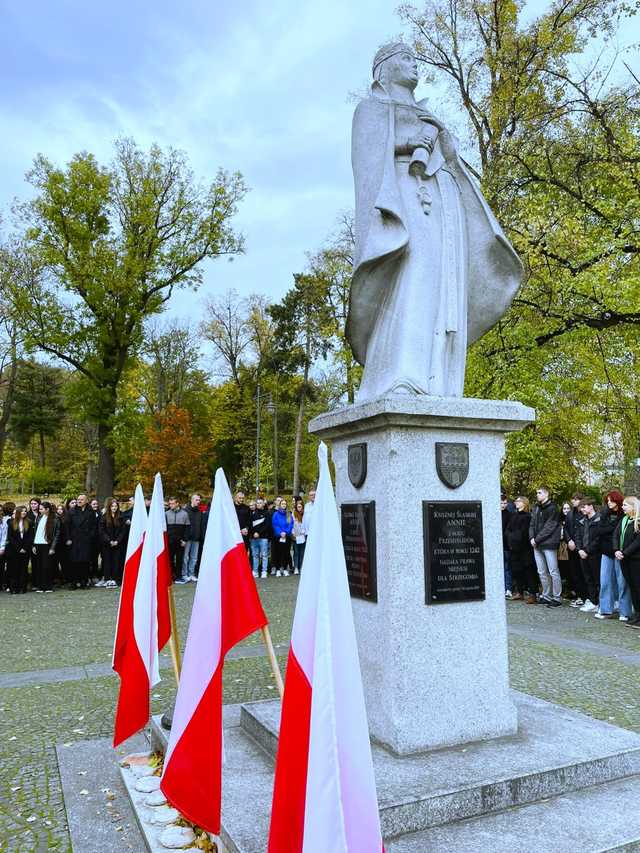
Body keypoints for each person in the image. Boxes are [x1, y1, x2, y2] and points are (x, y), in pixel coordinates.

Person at [595, 490, 630, 621]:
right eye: (608, 501)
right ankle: (605, 609)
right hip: (606, 552)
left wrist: (607, 529)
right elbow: (599, 530)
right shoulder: (605, 513)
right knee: (605, 581)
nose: (609, 503)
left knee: (622, 582)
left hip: (620, 552)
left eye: (612, 500)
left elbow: (618, 531)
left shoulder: (624, 514)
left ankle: (625, 611)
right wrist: (610, 528)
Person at [529, 486, 562, 606]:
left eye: (539, 492)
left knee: (553, 571)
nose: (537, 494)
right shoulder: (536, 507)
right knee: (542, 571)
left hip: (548, 543)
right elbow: (532, 524)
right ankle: (546, 595)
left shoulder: (553, 508)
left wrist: (536, 539)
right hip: (537, 544)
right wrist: (532, 538)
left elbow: (550, 527)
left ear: (546, 494)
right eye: (536, 492)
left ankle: (557, 597)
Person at [614, 496, 640, 628]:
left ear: (633, 506)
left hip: (635, 560)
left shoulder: (638, 521)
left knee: (638, 587)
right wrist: (617, 550)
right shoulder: (624, 520)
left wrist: (625, 552)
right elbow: (616, 535)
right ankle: (637, 615)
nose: (622, 507)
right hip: (624, 559)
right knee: (632, 587)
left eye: (625, 505)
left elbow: (638, 541)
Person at [505, 496, 537, 602]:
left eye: (518, 501)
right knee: (516, 571)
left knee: (528, 571)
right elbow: (507, 531)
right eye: (516, 501)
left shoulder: (528, 516)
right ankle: (519, 592)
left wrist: (513, 537)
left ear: (524, 503)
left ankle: (533, 594)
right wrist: (511, 540)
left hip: (525, 548)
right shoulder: (513, 515)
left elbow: (523, 533)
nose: (516, 502)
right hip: (514, 548)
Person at [67, 494, 97, 589]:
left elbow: (94, 526)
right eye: (78, 499)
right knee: (74, 562)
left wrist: (90, 536)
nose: (79, 501)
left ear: (86, 501)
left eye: (81, 499)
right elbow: (67, 526)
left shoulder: (91, 511)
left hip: (86, 540)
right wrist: (68, 538)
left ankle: (84, 582)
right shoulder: (72, 511)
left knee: (85, 562)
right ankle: (74, 582)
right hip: (74, 540)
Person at [577, 498, 601, 613]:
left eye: (584, 507)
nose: (582, 509)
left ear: (591, 506)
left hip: (595, 555)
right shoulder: (582, 521)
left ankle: (601, 602)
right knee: (588, 579)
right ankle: (593, 601)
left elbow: (598, 539)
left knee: (598, 579)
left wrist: (587, 550)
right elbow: (578, 536)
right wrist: (580, 549)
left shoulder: (599, 520)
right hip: (582, 554)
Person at [31, 501, 60, 593]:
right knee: (39, 566)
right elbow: (36, 532)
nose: (39, 510)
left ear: (47, 509)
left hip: (47, 545)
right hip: (38, 544)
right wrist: (34, 545)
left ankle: (48, 586)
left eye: (41, 509)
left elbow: (57, 535)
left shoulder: (55, 519)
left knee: (47, 566)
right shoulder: (39, 517)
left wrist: (52, 548)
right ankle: (40, 586)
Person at [565, 493, 587, 608]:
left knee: (584, 573)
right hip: (571, 547)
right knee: (574, 573)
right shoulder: (569, 514)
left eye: (577, 499)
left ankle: (586, 597)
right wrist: (569, 540)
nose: (574, 501)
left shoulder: (584, 513)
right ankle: (580, 596)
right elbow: (565, 529)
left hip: (582, 548)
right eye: (573, 499)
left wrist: (578, 545)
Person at [98, 498, 126, 588]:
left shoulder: (121, 517)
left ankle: (115, 579)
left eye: (115, 506)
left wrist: (117, 541)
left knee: (116, 561)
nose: (114, 508)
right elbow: (102, 531)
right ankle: (107, 579)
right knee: (107, 561)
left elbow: (123, 531)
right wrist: (109, 541)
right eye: (112, 506)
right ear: (109, 507)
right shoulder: (104, 517)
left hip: (118, 543)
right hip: (107, 544)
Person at [7, 506, 34, 594]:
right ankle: (14, 588)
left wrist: (25, 548)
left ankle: (23, 588)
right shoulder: (11, 523)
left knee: (23, 569)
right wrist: (19, 548)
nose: (24, 513)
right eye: (22, 511)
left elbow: (30, 537)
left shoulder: (29, 522)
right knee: (14, 569)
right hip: (14, 550)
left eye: (25, 511)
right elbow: (10, 537)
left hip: (25, 550)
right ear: (18, 512)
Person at [166, 497, 190, 582]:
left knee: (180, 559)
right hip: (170, 541)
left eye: (172, 503)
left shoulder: (184, 514)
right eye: (170, 503)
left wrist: (185, 540)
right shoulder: (166, 514)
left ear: (177, 504)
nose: (171, 505)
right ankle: (172, 575)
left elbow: (187, 528)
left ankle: (179, 576)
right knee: (170, 559)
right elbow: (165, 528)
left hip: (180, 541)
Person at [181, 494, 203, 583]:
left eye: (199, 500)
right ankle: (184, 574)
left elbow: (201, 525)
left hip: (196, 538)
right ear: (192, 500)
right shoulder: (185, 511)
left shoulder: (199, 512)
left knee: (194, 557)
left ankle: (191, 574)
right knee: (185, 557)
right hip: (187, 538)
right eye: (197, 500)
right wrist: (183, 538)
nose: (198, 502)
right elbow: (183, 526)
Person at [250, 497, 271, 579]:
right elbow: (250, 525)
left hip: (263, 538)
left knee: (264, 555)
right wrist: (254, 533)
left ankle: (264, 571)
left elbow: (267, 526)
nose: (258, 504)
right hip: (254, 538)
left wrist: (258, 533)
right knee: (255, 555)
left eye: (260, 503)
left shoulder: (267, 513)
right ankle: (255, 571)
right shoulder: (252, 514)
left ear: (263, 504)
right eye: (257, 503)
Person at [271, 499, 293, 577]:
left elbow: (291, 524)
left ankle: (284, 569)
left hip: (287, 536)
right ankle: (277, 569)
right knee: (278, 553)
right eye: (282, 504)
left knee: (286, 553)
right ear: (280, 505)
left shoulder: (289, 514)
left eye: (285, 504)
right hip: (278, 536)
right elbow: (275, 524)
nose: (284, 505)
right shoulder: (276, 514)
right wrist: (280, 532)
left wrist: (285, 532)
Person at [501, 494, 513, 598]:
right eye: (501, 503)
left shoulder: (509, 515)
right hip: (497, 545)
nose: (503, 505)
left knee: (507, 567)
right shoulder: (493, 514)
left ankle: (508, 589)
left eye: (505, 503)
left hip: (506, 545)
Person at [292, 498, 307, 576]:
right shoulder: (293, 514)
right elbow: (291, 525)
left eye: (300, 507)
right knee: (296, 552)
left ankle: (301, 567)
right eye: (298, 507)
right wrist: (293, 534)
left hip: (303, 535)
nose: (299, 508)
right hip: (296, 536)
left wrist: (304, 532)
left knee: (302, 552)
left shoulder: (305, 514)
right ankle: (296, 568)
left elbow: (306, 524)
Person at [0, 506, 8, 592]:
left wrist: (2, 548)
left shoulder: (3, 523)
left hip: (0, 548)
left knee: (1, 567)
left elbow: (4, 536)